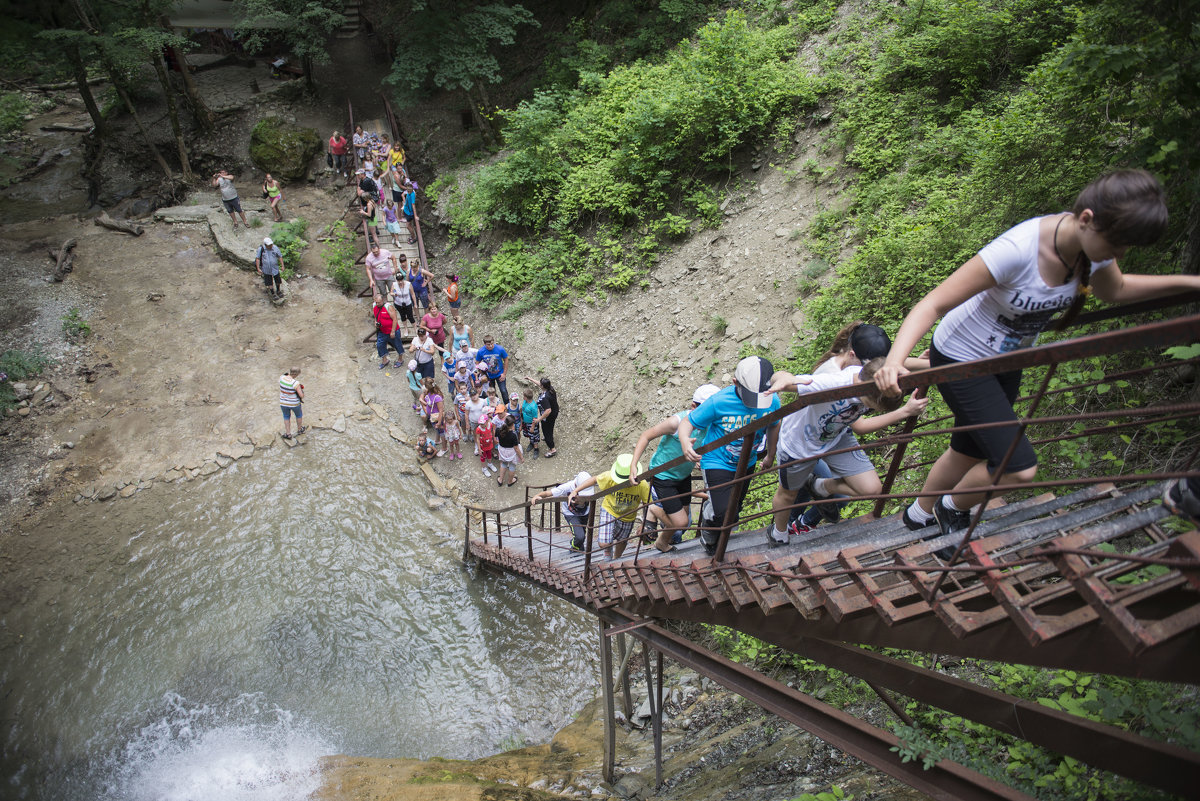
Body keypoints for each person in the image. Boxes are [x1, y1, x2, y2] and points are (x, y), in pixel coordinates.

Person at [873, 169, 1198, 541]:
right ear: (1087, 220)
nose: (1119, 254)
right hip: (962, 356)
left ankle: (917, 516)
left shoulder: (1094, 249)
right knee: (1017, 466)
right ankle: (952, 506)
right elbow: (932, 304)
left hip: (1007, 360)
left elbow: (1117, 289)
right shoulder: (1018, 251)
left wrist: (1191, 283)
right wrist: (897, 361)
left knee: (969, 447)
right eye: (1117, 245)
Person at [764, 358, 928, 547]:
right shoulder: (833, 384)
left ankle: (820, 487)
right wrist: (782, 378)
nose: (871, 409)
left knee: (872, 489)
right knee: (788, 495)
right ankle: (778, 534)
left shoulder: (881, 374)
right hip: (800, 444)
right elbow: (784, 378)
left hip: (836, 436)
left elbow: (897, 360)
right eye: (869, 404)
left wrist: (925, 363)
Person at [679, 356, 782, 556]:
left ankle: (713, 526)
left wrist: (770, 454)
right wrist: (684, 440)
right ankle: (710, 524)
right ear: (735, 383)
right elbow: (688, 422)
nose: (757, 403)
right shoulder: (719, 402)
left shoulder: (772, 399)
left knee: (733, 513)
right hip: (717, 460)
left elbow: (774, 425)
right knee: (725, 511)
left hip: (747, 461)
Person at [630, 383, 721, 553]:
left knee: (684, 521)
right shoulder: (677, 422)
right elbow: (646, 435)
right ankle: (655, 513)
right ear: (694, 407)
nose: (711, 415)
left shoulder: (710, 422)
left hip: (683, 474)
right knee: (680, 523)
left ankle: (661, 538)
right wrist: (633, 465)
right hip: (663, 475)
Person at [568, 454, 651, 561]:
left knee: (622, 540)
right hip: (609, 510)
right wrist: (575, 491)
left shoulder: (642, 485)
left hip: (628, 516)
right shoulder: (610, 477)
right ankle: (608, 549)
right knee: (604, 543)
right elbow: (594, 480)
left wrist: (644, 523)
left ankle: (616, 559)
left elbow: (647, 504)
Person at [531, 472, 595, 553]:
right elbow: (549, 493)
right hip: (570, 513)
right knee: (580, 536)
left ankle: (579, 548)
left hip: (584, 512)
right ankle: (574, 547)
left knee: (582, 534)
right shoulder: (567, 487)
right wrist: (537, 496)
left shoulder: (589, 484)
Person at [527, 376, 559, 457]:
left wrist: (539, 419)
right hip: (554, 412)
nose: (539, 384)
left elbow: (548, 410)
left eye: (540, 384)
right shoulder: (550, 388)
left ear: (543, 386)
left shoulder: (545, 397)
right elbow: (539, 384)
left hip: (548, 416)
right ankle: (549, 438)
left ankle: (552, 449)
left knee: (546, 431)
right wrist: (530, 379)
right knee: (550, 427)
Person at [476, 335, 510, 404]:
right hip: (488, 376)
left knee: (503, 391)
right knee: (491, 392)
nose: (491, 346)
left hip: (499, 374)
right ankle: (494, 406)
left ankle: (507, 406)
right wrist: (482, 373)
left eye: (492, 343)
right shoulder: (481, 351)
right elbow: (477, 362)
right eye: (488, 344)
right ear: (485, 344)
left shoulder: (500, 349)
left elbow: (506, 359)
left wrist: (504, 373)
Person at [372, 293, 401, 369]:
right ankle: (385, 360)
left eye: (379, 302)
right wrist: (375, 322)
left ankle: (400, 359)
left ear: (383, 301)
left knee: (397, 345)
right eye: (376, 302)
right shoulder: (374, 306)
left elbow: (395, 319)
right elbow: (376, 316)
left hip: (392, 330)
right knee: (380, 345)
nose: (377, 304)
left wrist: (393, 331)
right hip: (382, 331)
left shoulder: (388, 307)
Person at [495, 415, 523, 487]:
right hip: (511, 452)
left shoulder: (498, 430)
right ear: (512, 424)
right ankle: (510, 481)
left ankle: (500, 480)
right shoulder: (513, 435)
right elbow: (516, 448)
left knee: (503, 464)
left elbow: (496, 439)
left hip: (502, 450)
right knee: (512, 466)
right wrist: (521, 457)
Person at [278, 367, 305, 439]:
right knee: (298, 415)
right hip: (294, 403)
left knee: (286, 416)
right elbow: (301, 396)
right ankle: (300, 430)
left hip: (283, 403)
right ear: (296, 374)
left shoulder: (281, 378)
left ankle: (288, 433)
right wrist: (302, 391)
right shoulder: (295, 383)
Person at [389, 273, 416, 338]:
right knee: (402, 316)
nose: (400, 282)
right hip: (398, 303)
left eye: (401, 280)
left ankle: (415, 329)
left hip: (407, 302)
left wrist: (415, 303)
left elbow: (412, 294)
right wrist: (394, 294)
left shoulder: (408, 284)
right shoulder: (394, 284)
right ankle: (406, 328)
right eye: (399, 281)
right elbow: (391, 292)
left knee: (410, 316)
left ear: (403, 279)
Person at [521, 387, 541, 457]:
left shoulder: (533, 406)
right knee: (528, 434)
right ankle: (531, 443)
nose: (523, 397)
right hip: (525, 422)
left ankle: (536, 449)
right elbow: (522, 408)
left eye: (524, 396)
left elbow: (535, 418)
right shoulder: (525, 401)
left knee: (534, 436)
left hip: (531, 424)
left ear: (526, 397)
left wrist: (532, 427)